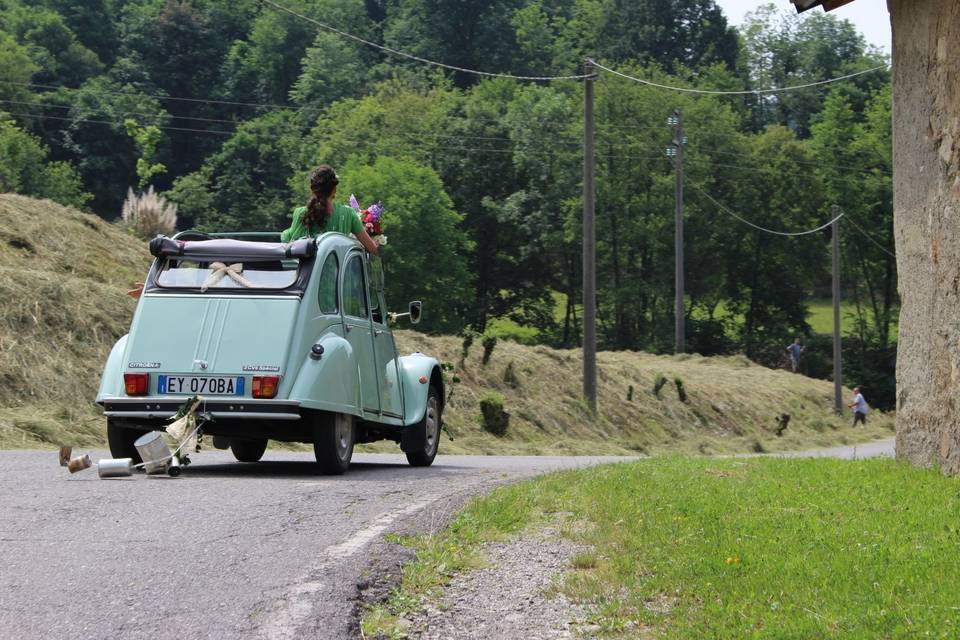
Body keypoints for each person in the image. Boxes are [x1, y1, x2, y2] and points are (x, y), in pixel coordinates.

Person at [281, 165, 379, 254]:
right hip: (338, 273)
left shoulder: (301, 213)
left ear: (312, 189)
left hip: (308, 273)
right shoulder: (349, 214)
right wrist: (376, 242)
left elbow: (288, 242)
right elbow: (372, 248)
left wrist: (285, 234)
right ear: (334, 189)